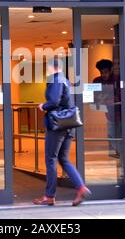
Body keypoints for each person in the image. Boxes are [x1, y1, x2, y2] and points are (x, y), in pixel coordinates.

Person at [33, 59, 91, 207]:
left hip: (57, 125)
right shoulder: (65, 80)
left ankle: (49, 196)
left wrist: (43, 106)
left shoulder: (56, 80)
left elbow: (53, 101)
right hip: (68, 124)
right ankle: (81, 187)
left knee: (50, 158)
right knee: (63, 159)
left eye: (47, 69)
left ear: (52, 68)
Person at [93, 59, 122, 158]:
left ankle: (120, 152)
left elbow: (119, 96)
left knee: (120, 133)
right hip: (109, 113)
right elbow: (95, 98)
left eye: (105, 72)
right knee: (111, 133)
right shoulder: (97, 81)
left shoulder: (116, 80)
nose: (103, 75)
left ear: (110, 70)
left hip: (120, 112)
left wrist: (104, 98)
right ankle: (116, 152)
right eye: (101, 72)